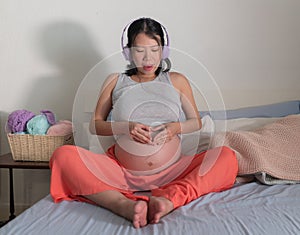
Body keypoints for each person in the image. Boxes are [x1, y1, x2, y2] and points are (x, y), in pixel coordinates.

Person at [49, 17, 238, 229]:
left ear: (163, 51)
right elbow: (96, 125)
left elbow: (196, 122)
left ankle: (168, 200)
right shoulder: (115, 81)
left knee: (226, 157)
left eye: (154, 50)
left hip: (173, 171)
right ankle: (122, 205)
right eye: (139, 51)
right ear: (128, 52)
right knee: (63, 155)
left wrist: (175, 127)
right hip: (121, 172)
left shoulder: (177, 81)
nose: (148, 58)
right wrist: (125, 127)